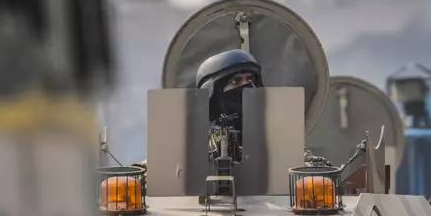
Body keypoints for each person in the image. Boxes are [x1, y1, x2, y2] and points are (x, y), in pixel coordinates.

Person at [133, 49, 333, 169]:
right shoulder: (190, 143)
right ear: (213, 94)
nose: (246, 87)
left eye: (251, 80)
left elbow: (316, 168)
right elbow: (149, 172)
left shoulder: (276, 141)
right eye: (235, 82)